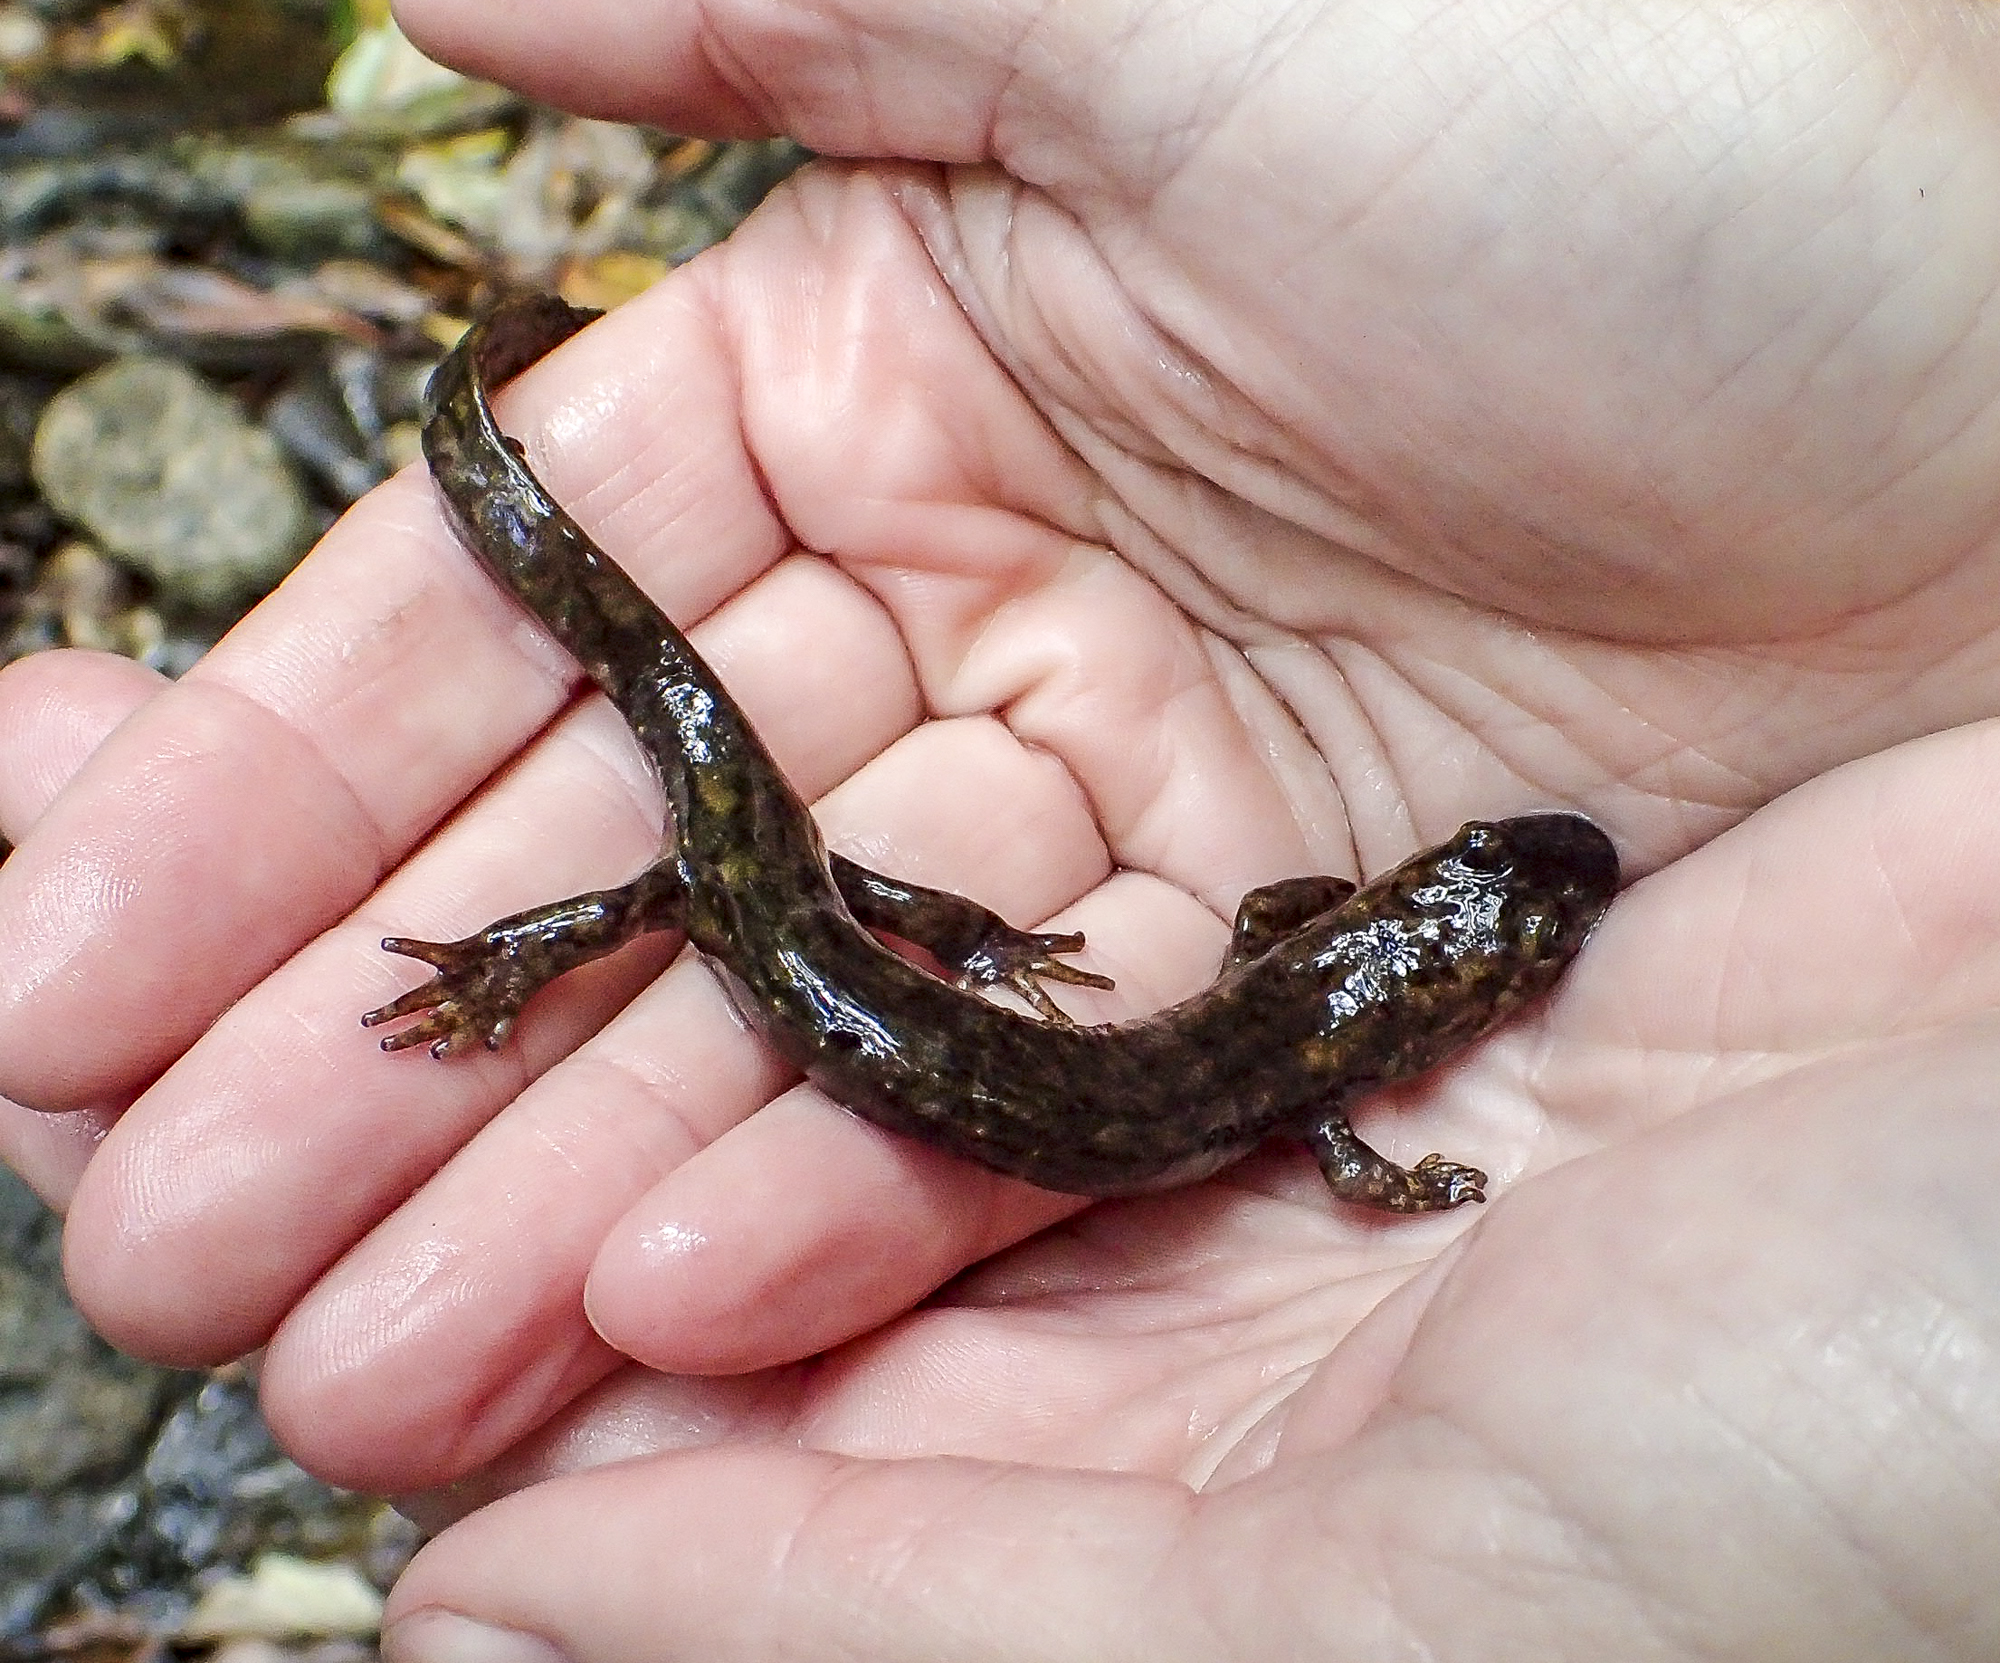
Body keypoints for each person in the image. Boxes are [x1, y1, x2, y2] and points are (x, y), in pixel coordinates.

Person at [4, 0, 2000, 1655]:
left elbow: (1295, 930)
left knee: (720, 877)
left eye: (1497, 926)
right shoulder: (1300, 1082)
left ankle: (567, 810)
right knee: (704, 872)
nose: (1491, 915)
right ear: (1407, 996)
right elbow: (1336, 1105)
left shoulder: (1299, 998)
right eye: (1487, 913)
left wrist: (1046, 960)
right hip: (799, 935)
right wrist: (1402, 1175)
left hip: (817, 937)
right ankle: (508, 624)